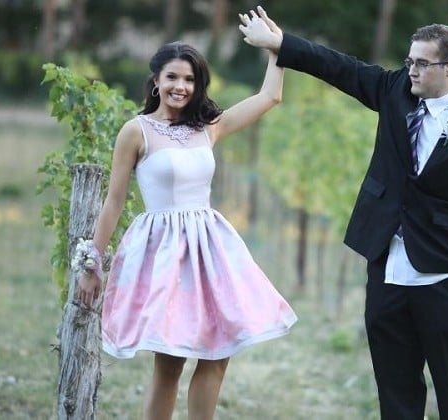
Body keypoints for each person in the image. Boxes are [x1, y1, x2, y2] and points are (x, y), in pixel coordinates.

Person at [242, 7, 448, 420]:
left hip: (446, 275)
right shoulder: (394, 92)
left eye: (422, 64)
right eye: (409, 61)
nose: (411, 70)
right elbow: (340, 67)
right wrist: (283, 45)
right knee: (395, 391)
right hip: (387, 270)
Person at [74, 10, 297, 420]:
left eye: (190, 79)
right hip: (163, 253)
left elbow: (270, 98)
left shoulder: (207, 126)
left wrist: (276, 50)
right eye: (173, 77)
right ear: (156, 81)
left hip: (210, 248)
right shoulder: (135, 131)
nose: (181, 86)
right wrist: (93, 262)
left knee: (218, 353)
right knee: (170, 360)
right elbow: (115, 200)